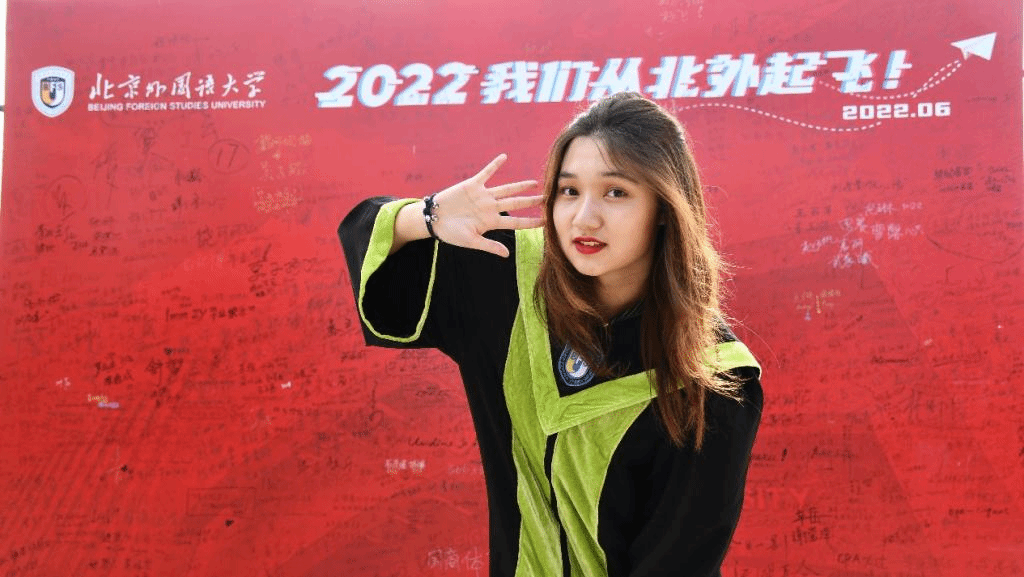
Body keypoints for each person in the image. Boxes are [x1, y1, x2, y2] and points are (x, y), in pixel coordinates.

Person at [338, 92, 763, 577]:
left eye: (616, 192)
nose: (584, 217)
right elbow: (372, 249)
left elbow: (679, 563)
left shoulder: (712, 379)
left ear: (665, 207)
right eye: (568, 191)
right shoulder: (504, 274)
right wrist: (429, 216)